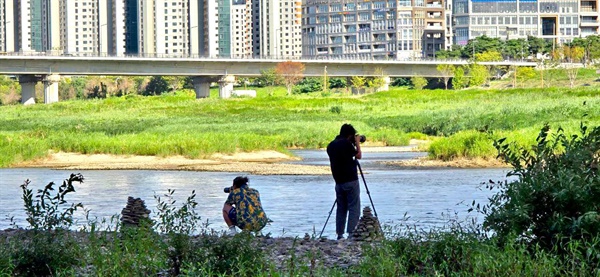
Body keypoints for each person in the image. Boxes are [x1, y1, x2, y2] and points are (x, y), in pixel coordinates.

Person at [326, 123, 362, 240]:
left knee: (341, 208)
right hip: (351, 180)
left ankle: (339, 234)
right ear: (350, 135)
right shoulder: (346, 144)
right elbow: (358, 155)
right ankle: (351, 233)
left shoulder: (331, 145)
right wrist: (357, 143)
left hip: (338, 182)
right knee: (354, 207)